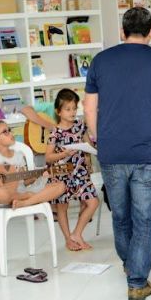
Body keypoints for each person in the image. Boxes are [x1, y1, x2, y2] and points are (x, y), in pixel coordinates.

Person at [83, 7, 151, 300]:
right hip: (147, 152)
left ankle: (129, 265)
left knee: (121, 215)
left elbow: (89, 108)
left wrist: (96, 136)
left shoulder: (101, 60)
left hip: (111, 151)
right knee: (144, 216)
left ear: (121, 32)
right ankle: (137, 281)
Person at [44, 89, 99, 251]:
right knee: (62, 207)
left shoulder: (81, 126)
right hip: (61, 173)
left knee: (93, 202)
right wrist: (64, 153)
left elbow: (88, 145)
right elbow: (48, 157)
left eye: (74, 108)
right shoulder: (55, 132)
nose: (73, 112)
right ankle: (69, 240)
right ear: (58, 112)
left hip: (80, 172)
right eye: (68, 109)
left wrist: (89, 158)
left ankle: (77, 234)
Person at [0, 120, 67, 208]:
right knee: (0, 192)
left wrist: (40, 174)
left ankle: (25, 202)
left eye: (9, 130)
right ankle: (29, 198)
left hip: (21, 191)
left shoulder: (19, 156)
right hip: (5, 197)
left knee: (61, 186)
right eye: (5, 132)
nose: (10, 133)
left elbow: (24, 181)